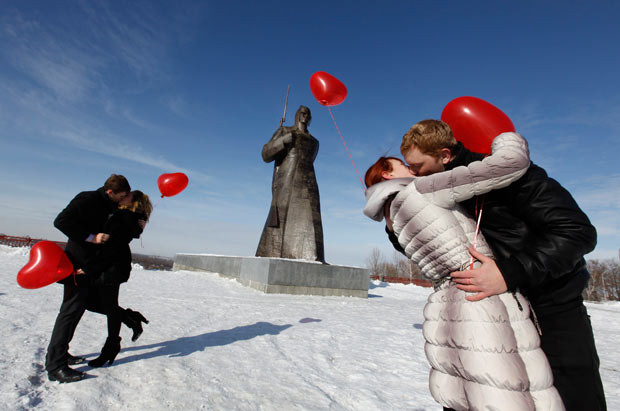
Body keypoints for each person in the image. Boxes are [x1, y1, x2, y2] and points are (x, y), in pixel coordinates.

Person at [390, 119, 605, 410]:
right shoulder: (438, 190)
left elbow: (576, 232)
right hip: (487, 317)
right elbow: (439, 249)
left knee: (567, 399)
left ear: (444, 155)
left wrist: (509, 272)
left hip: (549, 313)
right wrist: (396, 229)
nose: (413, 174)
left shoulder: (513, 177)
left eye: (417, 165)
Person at [364, 132, 564, 410]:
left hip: (446, 305)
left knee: (465, 396)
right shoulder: (421, 190)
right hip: (481, 296)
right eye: (402, 165)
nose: (412, 169)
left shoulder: (392, 218)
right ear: (387, 174)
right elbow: (508, 166)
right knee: (507, 392)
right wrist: (508, 141)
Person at [46, 175, 130, 382]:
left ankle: (62, 353)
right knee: (70, 312)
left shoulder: (108, 206)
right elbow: (61, 221)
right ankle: (55, 366)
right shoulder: (87, 199)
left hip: (90, 268)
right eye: (123, 195)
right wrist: (92, 237)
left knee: (77, 310)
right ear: (111, 192)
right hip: (76, 266)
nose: (124, 198)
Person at [79, 190, 153, 367]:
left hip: (111, 265)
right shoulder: (128, 217)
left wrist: (89, 268)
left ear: (132, 202)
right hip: (113, 264)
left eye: (126, 196)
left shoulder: (124, 216)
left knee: (107, 306)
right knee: (98, 304)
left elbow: (111, 246)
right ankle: (130, 318)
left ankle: (111, 347)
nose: (122, 197)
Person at [256, 105, 325, 262]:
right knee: (280, 221)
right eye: (302, 113)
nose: (304, 116)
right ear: (296, 115)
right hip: (286, 181)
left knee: (312, 222)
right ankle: (273, 254)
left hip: (308, 183)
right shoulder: (285, 132)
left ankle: (312, 257)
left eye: (308, 114)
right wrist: (282, 141)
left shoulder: (314, 142)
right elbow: (265, 154)